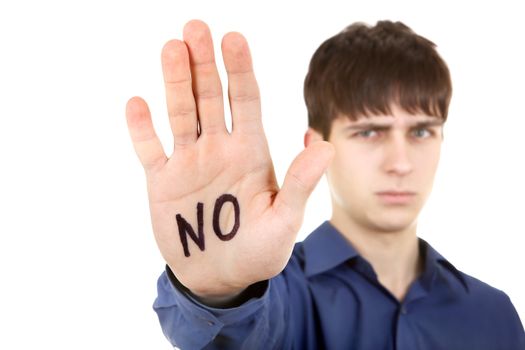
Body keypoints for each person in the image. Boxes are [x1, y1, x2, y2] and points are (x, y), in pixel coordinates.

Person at [125, 19, 525, 349]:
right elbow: (239, 334)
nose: (400, 163)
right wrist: (221, 290)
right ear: (317, 146)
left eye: (421, 132)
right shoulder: (278, 296)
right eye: (369, 132)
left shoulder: (494, 314)